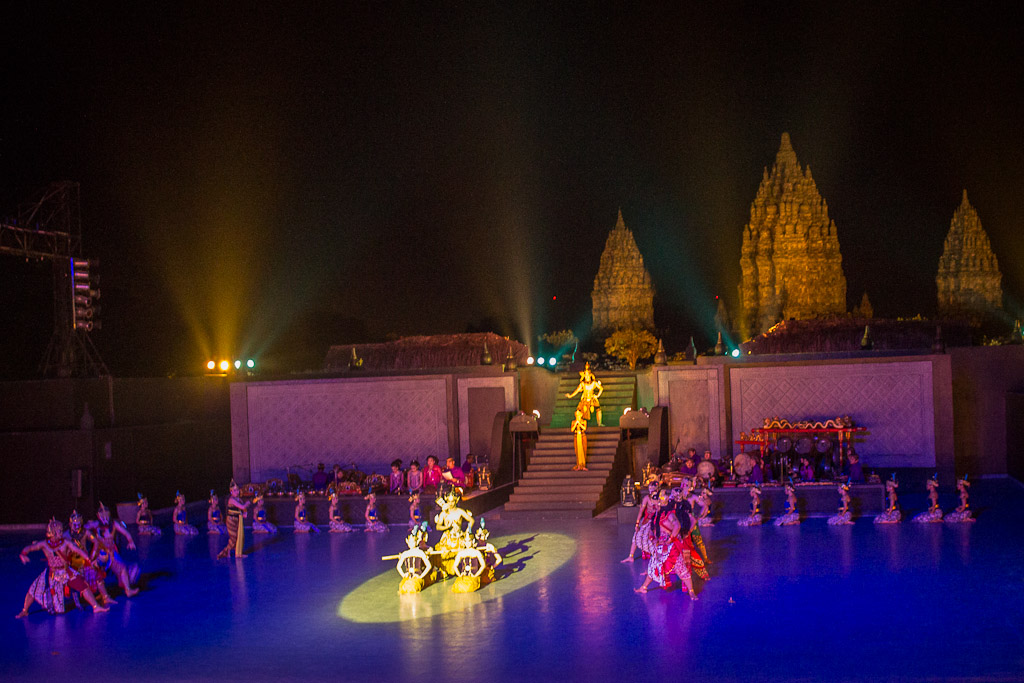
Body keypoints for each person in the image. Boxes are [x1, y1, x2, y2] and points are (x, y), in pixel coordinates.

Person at [17, 519, 109, 617]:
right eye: (59, 531)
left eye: (61, 531)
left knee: (83, 585)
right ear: (53, 533)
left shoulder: (66, 543)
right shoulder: (44, 544)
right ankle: (25, 610)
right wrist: (23, 554)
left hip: (66, 571)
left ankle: (96, 606)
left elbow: (78, 550)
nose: (61, 533)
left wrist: (88, 559)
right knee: (34, 589)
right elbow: (30, 548)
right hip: (51, 574)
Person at [634, 488, 698, 599]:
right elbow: (652, 528)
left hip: (670, 546)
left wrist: (670, 539)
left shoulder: (669, 515)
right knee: (653, 566)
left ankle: (691, 591)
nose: (655, 505)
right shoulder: (657, 514)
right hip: (660, 546)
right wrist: (652, 537)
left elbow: (677, 526)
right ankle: (643, 588)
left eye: (657, 503)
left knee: (680, 568)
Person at [88, 502, 140, 597]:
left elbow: (126, 533)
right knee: (97, 573)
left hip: (112, 553)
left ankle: (128, 590)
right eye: (102, 513)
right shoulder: (95, 525)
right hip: (100, 553)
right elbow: (84, 529)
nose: (104, 515)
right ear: (98, 515)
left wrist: (130, 541)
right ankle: (101, 594)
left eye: (106, 513)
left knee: (122, 569)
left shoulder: (114, 524)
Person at [622, 480, 660, 562]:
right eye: (650, 489)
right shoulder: (646, 498)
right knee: (636, 535)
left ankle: (656, 556)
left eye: (654, 489)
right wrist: (637, 524)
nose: (652, 491)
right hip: (647, 520)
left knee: (653, 537)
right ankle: (631, 556)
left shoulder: (660, 498)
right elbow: (641, 511)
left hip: (657, 521)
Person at [217, 480, 250, 559]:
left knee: (239, 537)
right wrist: (247, 503)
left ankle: (238, 553)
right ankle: (224, 552)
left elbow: (242, 510)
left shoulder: (239, 499)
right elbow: (242, 507)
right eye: (234, 490)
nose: (237, 492)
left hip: (237, 519)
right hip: (231, 520)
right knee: (233, 538)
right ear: (231, 491)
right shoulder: (231, 500)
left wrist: (245, 513)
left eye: (237, 490)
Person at [566, 362, 604, 426]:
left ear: (590, 375)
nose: (587, 377)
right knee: (578, 410)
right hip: (584, 398)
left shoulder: (594, 383)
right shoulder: (583, 384)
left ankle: (599, 423)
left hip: (592, 398)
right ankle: (579, 422)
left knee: (598, 409)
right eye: (585, 375)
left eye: (588, 375)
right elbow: (577, 390)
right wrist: (571, 395)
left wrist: (597, 396)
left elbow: (601, 388)